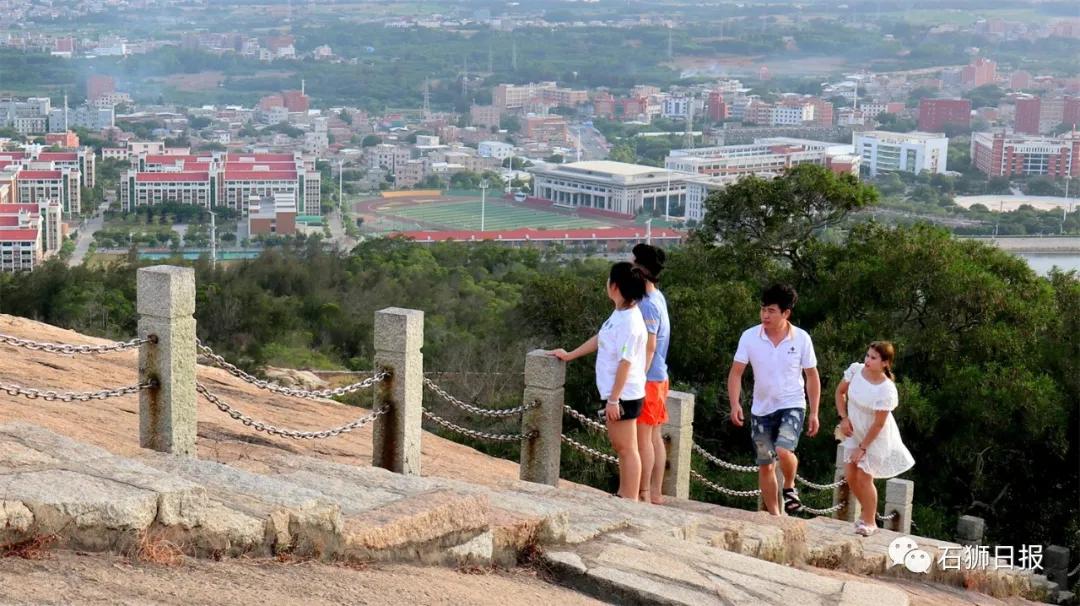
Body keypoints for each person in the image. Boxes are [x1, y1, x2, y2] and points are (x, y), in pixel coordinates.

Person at [551, 262, 649, 500]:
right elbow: (601, 338)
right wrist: (570, 355)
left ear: (614, 286)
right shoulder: (621, 313)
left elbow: (625, 362)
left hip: (624, 394)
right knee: (623, 448)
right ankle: (626, 495)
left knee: (626, 449)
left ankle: (629, 498)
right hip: (619, 393)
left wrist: (614, 400)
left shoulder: (630, 322)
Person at [728, 284, 820, 516]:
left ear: (786, 313)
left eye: (771, 311)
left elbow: (811, 375)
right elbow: (736, 372)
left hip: (792, 404)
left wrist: (814, 412)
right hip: (761, 409)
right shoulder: (750, 336)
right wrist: (735, 403)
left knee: (783, 448)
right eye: (763, 310)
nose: (765, 315)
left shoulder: (801, 338)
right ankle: (775, 515)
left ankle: (789, 485)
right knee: (766, 463)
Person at [835, 341, 915, 536]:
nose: (868, 360)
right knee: (851, 475)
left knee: (864, 477)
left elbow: (879, 424)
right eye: (867, 355)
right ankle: (867, 512)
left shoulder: (886, 389)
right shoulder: (855, 370)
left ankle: (870, 521)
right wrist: (843, 418)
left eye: (873, 357)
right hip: (854, 429)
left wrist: (862, 447)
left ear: (885, 363)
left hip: (875, 437)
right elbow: (840, 392)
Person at [631, 243, 671, 505]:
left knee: (644, 438)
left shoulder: (646, 304)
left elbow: (650, 345)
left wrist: (637, 379)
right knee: (654, 437)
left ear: (641, 269)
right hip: (660, 377)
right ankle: (655, 492)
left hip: (649, 379)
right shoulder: (658, 297)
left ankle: (643, 492)